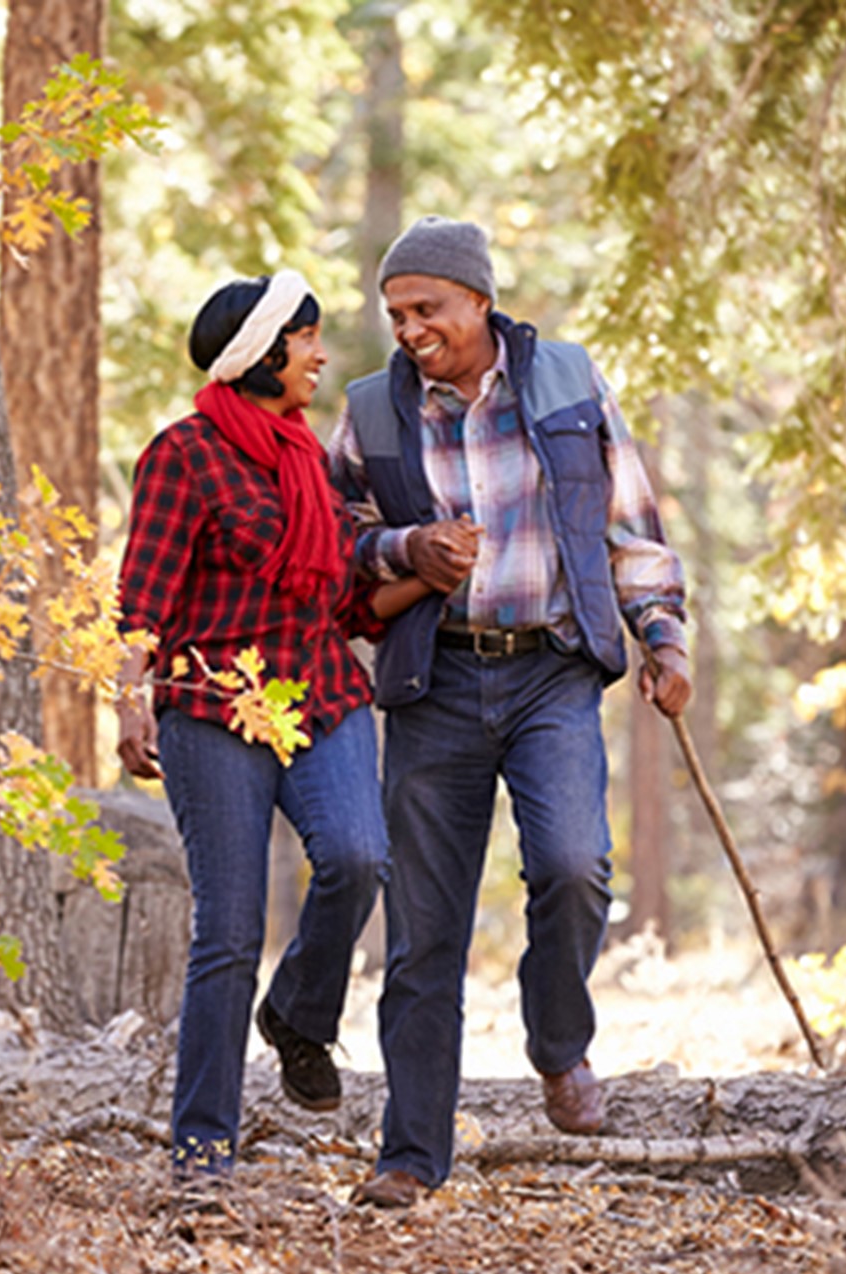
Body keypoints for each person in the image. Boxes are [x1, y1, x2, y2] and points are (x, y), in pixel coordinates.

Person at [327, 217, 694, 1209]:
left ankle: (560, 1046)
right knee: (424, 929)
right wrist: (406, 550)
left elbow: (632, 523)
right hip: (434, 684)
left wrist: (662, 637)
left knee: (575, 866)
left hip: (552, 671)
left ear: (478, 300)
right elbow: (337, 544)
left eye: (427, 308)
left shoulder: (568, 380)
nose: (409, 329)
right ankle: (409, 1155)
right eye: (395, 313)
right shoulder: (371, 413)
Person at [115, 271, 429, 1178]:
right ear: (262, 353)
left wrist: (432, 575)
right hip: (214, 707)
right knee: (229, 930)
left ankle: (297, 1015)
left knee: (358, 856)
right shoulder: (184, 454)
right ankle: (202, 1151)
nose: (320, 356)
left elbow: (350, 602)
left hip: (321, 698)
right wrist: (131, 698)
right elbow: (142, 597)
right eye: (306, 340)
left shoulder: (308, 462)